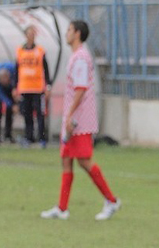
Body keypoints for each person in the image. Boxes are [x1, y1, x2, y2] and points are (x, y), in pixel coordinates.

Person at [41, 20, 121, 220]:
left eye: (69, 30)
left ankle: (111, 200)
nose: (66, 33)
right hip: (73, 120)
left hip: (79, 122)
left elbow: (81, 89)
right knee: (66, 160)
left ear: (77, 33)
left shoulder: (81, 58)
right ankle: (62, 208)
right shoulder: (76, 56)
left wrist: (69, 116)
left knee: (84, 161)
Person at [15, 25, 52, 147]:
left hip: (38, 88)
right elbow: (16, 70)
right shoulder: (20, 51)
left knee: (40, 114)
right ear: (25, 35)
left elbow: (46, 69)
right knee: (27, 114)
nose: (31, 36)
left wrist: (48, 86)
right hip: (25, 88)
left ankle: (42, 138)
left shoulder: (40, 51)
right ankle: (29, 137)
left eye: (33, 34)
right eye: (29, 34)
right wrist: (15, 87)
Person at [0, 62, 17, 144]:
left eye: (6, 81)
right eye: (3, 82)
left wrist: (15, 90)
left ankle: (8, 135)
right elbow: (2, 96)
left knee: (10, 111)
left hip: (11, 87)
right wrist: (11, 105)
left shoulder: (13, 70)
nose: (5, 83)